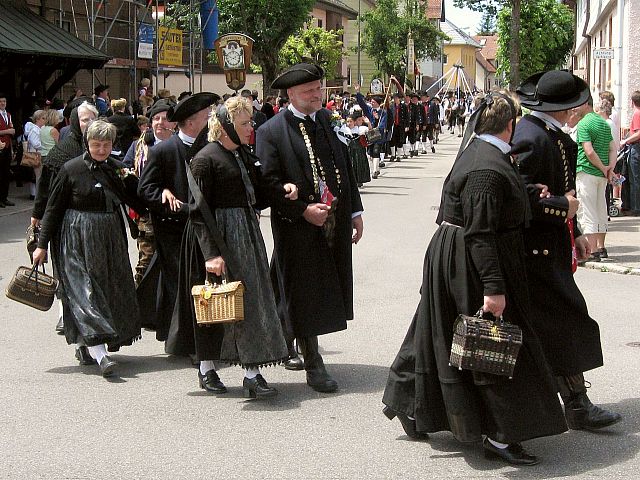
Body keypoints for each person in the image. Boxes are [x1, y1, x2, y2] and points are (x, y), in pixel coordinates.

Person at [382, 91, 567, 465]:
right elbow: (480, 231)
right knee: (489, 346)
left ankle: (414, 405)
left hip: (459, 256)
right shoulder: (486, 166)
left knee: (439, 334)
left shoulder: (486, 153)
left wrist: (528, 192)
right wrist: (494, 289)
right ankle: (499, 434)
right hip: (470, 261)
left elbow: (494, 198)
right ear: (509, 125)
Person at [513, 70, 622, 431]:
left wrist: (571, 230)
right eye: (574, 106)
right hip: (533, 254)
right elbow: (523, 198)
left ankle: (574, 403)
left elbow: (561, 193)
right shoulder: (530, 136)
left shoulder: (553, 135)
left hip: (550, 247)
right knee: (563, 322)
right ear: (563, 109)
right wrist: (564, 209)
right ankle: (574, 404)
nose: (578, 111)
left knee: (561, 325)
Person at [173, 96, 298, 396]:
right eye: (244, 123)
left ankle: (250, 374)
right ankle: (207, 369)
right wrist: (212, 254)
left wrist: (282, 189)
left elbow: (257, 193)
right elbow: (199, 211)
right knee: (214, 306)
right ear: (226, 125)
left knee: (247, 304)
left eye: (250, 122)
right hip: (217, 238)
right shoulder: (205, 159)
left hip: (245, 235)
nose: (250, 127)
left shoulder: (242, 154)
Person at [256, 63, 364, 393]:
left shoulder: (327, 123)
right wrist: (302, 210)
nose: (317, 95)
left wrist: (355, 211)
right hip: (297, 225)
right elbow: (268, 184)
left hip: (332, 221)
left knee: (313, 285)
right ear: (291, 94)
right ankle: (314, 362)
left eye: (318, 89)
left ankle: (289, 336)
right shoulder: (272, 131)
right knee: (303, 290)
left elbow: (343, 168)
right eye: (309, 91)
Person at [32, 120, 145, 377]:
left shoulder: (116, 169)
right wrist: (41, 246)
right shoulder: (70, 169)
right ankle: (101, 355)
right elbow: (53, 209)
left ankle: (86, 344)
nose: (102, 149)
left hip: (109, 236)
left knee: (106, 288)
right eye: (96, 144)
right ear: (87, 143)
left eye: (106, 144)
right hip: (76, 234)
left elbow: (135, 199)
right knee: (84, 290)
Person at [139, 92, 219, 351]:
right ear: (193, 121)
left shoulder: (211, 147)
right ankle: (183, 340)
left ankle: (209, 335)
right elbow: (145, 189)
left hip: (205, 228)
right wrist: (164, 195)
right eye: (206, 116)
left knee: (208, 283)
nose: (210, 120)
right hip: (174, 231)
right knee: (180, 286)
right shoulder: (164, 150)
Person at [32, 101, 98, 340]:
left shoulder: (99, 148)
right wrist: (37, 216)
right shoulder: (62, 152)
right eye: (84, 119)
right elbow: (45, 190)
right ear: (74, 122)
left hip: (92, 225)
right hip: (63, 221)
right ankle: (64, 314)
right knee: (66, 271)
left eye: (92, 119)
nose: (89, 123)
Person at [124, 99, 177, 287]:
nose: (160, 123)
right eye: (156, 119)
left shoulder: (179, 146)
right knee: (146, 260)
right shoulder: (139, 146)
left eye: (165, 119)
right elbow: (124, 169)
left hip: (173, 213)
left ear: (174, 123)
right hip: (146, 214)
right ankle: (141, 303)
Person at [574, 96, 615, 261]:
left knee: (587, 211)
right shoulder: (603, 123)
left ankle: (589, 252)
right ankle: (601, 247)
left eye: (577, 105)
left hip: (587, 171)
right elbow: (613, 148)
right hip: (602, 176)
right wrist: (609, 168)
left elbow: (589, 151)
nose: (574, 109)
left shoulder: (584, 123)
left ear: (585, 104)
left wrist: (602, 167)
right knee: (600, 210)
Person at [620, 91, 640, 215]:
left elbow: (638, 133)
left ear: (632, 102)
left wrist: (625, 141)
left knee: (634, 179)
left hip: (636, 148)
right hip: (636, 147)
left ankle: (636, 208)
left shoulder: (637, 114)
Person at [0, 94, 15, 208]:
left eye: (4, 101)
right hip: (0, 146)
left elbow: (12, 131)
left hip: (7, 146)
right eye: (0, 102)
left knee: (6, 173)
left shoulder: (8, 115)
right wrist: (8, 131)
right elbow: (8, 131)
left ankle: (5, 197)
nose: (3, 103)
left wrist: (11, 149)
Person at [387, 93, 408, 161]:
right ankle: (393, 155)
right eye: (394, 98)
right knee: (392, 140)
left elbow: (406, 117)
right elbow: (389, 117)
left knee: (400, 141)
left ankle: (399, 156)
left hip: (400, 126)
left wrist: (406, 126)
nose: (395, 99)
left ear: (399, 99)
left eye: (396, 98)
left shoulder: (403, 106)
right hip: (393, 125)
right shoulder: (391, 106)